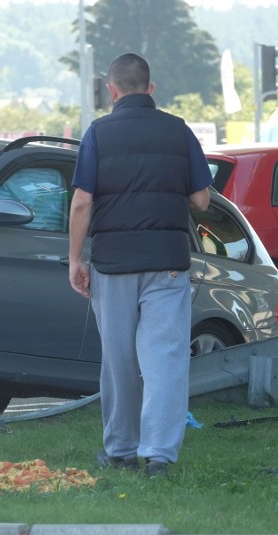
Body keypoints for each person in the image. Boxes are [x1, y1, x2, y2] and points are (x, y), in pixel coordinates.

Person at [68, 53, 211, 477]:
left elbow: (81, 202)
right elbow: (202, 199)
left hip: (113, 265)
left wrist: (76, 259)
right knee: (165, 360)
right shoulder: (178, 130)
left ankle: (121, 450)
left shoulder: (98, 133)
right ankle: (160, 457)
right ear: (151, 89)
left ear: (111, 91)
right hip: (167, 263)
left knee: (119, 361)